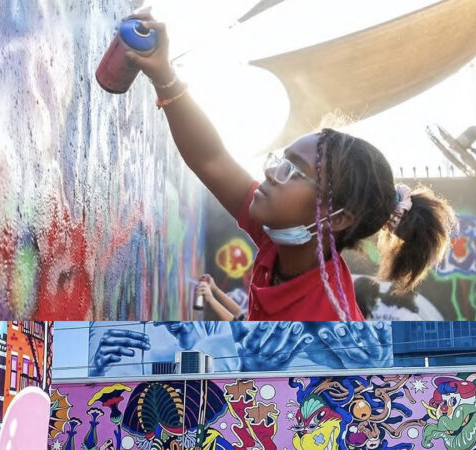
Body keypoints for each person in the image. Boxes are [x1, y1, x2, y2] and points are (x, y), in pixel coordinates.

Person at [124, 13, 457, 320]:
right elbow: (211, 160)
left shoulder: (332, 319)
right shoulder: (282, 239)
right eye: (280, 161)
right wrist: (163, 74)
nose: (271, 173)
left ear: (337, 217)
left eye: (294, 172)